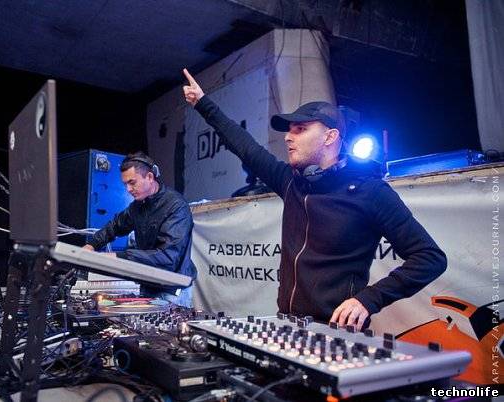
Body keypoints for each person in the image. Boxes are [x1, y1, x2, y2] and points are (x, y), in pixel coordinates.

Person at [182, 68, 447, 330]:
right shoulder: (290, 181)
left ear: (330, 136)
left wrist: (369, 299)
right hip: (288, 325)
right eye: (289, 130)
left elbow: (430, 257)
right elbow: (245, 146)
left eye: (300, 129)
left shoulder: (371, 192)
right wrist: (203, 103)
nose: (288, 137)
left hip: (335, 332)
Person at [83, 152, 196, 307]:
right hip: (148, 285)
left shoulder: (176, 206)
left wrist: (117, 257)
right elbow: (115, 226)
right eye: (125, 184)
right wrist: (91, 245)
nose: (128, 189)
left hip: (172, 291)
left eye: (132, 182)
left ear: (149, 177)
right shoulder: (137, 206)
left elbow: (168, 258)